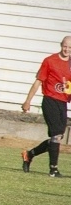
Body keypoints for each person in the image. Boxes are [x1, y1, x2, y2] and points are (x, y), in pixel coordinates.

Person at [20, 36, 71, 177]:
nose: (67, 50)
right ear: (61, 45)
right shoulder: (50, 61)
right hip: (50, 101)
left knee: (57, 137)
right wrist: (27, 101)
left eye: (70, 47)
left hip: (63, 103)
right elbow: (38, 82)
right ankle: (53, 170)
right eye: (65, 46)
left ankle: (29, 155)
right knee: (56, 135)